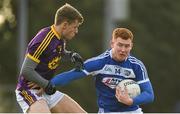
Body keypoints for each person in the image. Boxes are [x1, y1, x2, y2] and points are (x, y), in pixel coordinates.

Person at [51, 28, 155, 113]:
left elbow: (149, 94)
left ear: (131, 46)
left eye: (127, 46)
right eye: (120, 45)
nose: (123, 50)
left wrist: (131, 101)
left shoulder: (136, 65)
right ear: (112, 44)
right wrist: (46, 84)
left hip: (132, 111)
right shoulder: (99, 62)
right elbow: (70, 75)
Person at [15, 3, 86, 113]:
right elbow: (26, 70)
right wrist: (46, 83)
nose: (76, 31)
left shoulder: (60, 38)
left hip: (46, 90)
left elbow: (58, 52)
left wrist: (71, 55)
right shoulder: (43, 40)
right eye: (75, 27)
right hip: (29, 91)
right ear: (65, 25)